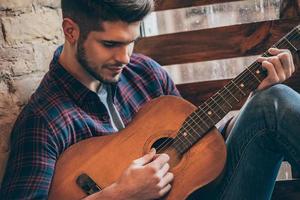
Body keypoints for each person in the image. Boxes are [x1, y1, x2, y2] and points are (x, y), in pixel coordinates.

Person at [0, 0, 299, 199]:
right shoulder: (44, 121)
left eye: (131, 42)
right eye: (110, 44)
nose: (124, 57)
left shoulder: (145, 73)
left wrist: (249, 104)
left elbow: (194, 146)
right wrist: (118, 194)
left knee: (271, 101)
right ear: (71, 31)